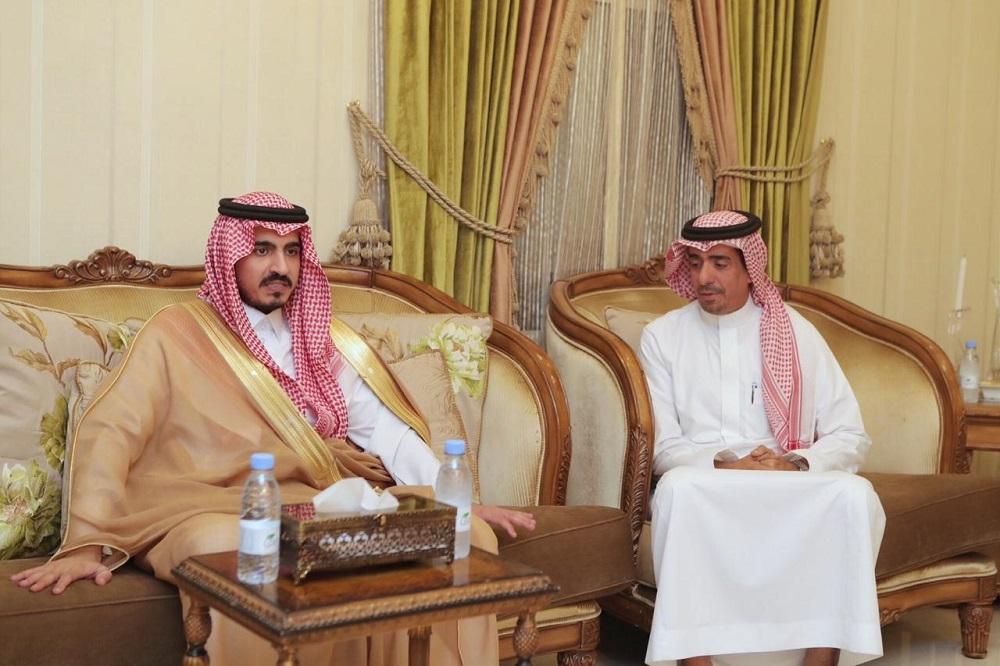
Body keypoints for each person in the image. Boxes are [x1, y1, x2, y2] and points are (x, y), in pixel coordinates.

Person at [11, 191, 534, 665]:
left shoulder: (319, 337)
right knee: (248, 544)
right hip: (201, 505)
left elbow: (385, 432)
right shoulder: (177, 333)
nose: (280, 266)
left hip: (312, 501)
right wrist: (86, 542)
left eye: (291, 251)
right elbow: (113, 429)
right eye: (262, 249)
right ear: (230, 255)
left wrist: (457, 501)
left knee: (464, 534)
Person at [639, 210, 885, 666]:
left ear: (750, 268)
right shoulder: (662, 337)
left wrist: (793, 463)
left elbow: (850, 433)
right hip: (707, 477)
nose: (704, 277)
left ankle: (819, 659)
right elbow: (665, 448)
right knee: (676, 491)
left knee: (855, 496)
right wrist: (728, 464)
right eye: (695, 263)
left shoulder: (796, 332)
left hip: (784, 474)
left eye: (719, 263)